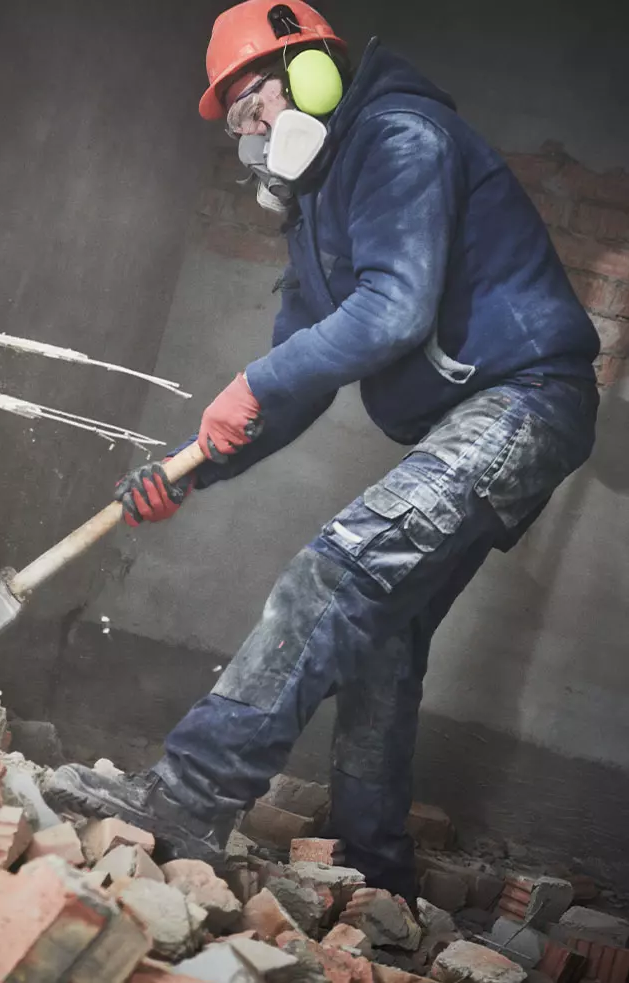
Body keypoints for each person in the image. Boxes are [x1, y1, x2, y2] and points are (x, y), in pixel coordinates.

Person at [45, 0, 599, 900]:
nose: (253, 135)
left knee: (336, 573)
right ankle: (373, 874)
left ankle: (188, 794)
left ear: (314, 73)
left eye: (254, 104)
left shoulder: (401, 137)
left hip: (526, 400)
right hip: (482, 418)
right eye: (237, 123)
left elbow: (394, 311)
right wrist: (194, 466)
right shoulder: (313, 210)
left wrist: (254, 385)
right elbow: (294, 383)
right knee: (379, 631)